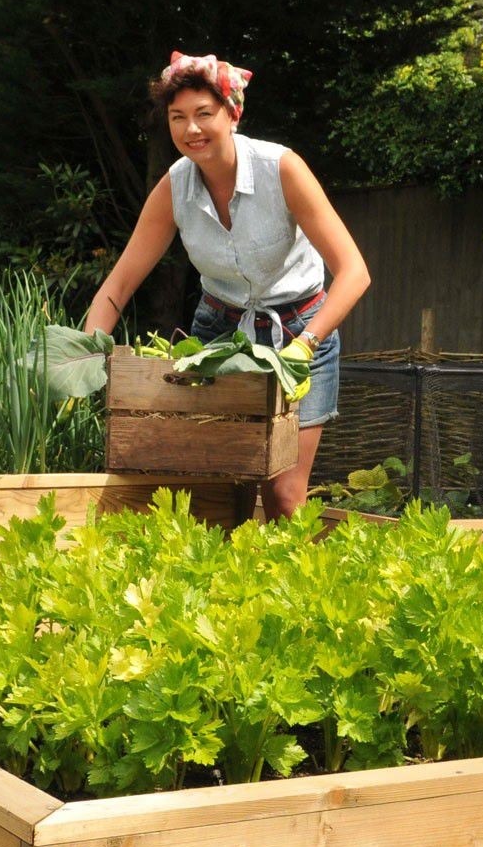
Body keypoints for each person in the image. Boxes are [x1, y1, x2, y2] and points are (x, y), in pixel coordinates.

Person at [83, 51, 371, 518]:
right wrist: (86, 357)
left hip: (300, 333)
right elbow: (117, 286)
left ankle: (287, 589)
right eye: (178, 118)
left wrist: (305, 345)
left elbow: (355, 271)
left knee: (283, 495)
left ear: (232, 114)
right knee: (219, 480)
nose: (190, 129)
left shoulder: (282, 169)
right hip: (221, 334)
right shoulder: (174, 187)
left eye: (203, 114)